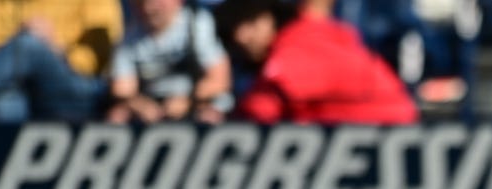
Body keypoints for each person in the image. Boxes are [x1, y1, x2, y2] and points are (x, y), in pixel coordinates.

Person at [212, 0, 419, 124]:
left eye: (250, 25)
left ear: (270, 20)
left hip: (381, 138)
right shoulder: (304, 37)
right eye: (234, 33)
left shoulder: (297, 45)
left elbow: (260, 111)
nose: (242, 38)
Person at [106, 0, 233, 124]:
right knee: (117, 115)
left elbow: (219, 80)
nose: (149, 7)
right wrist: (141, 105)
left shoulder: (196, 23)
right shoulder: (128, 36)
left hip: (195, 99)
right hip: (152, 103)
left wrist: (187, 101)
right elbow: (122, 89)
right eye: (142, 2)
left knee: (210, 115)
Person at [0, 0, 123, 121]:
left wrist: (52, 47)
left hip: (79, 85)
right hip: (20, 83)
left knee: (28, 45)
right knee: (5, 103)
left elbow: (96, 59)